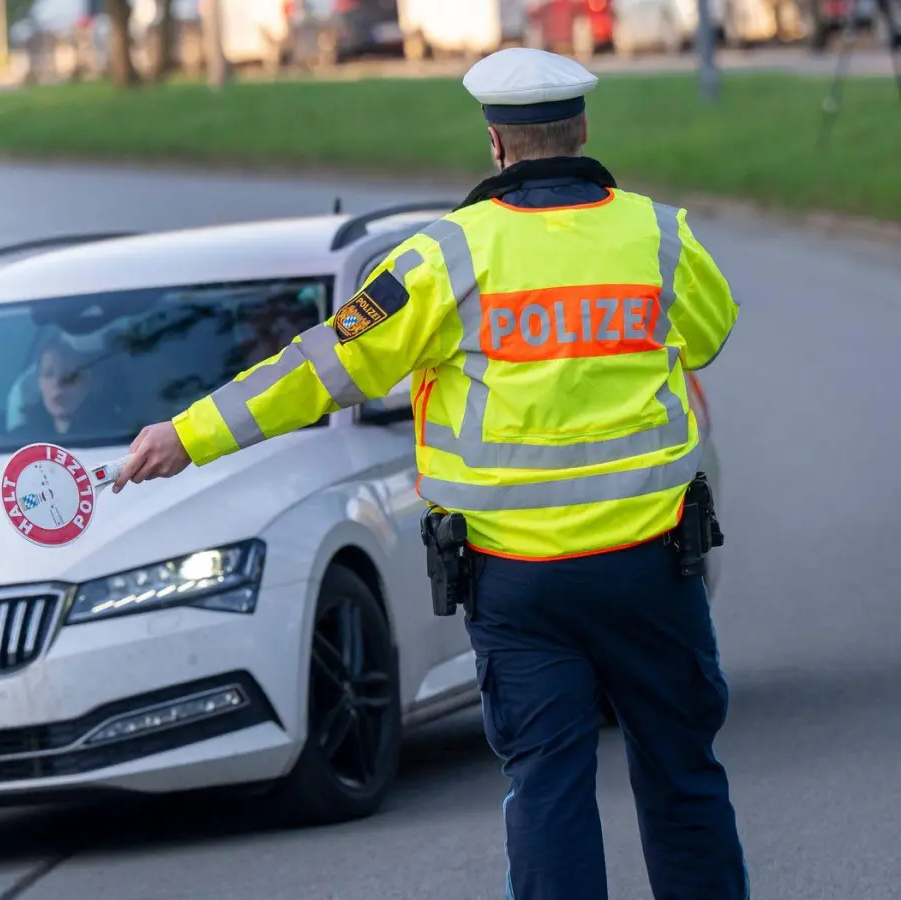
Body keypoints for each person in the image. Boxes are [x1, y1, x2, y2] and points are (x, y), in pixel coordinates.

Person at [113, 47, 747, 900]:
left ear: (496, 144)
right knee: (683, 776)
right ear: (582, 129)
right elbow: (708, 335)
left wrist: (187, 435)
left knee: (549, 790)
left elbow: (318, 368)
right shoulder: (659, 235)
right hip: (652, 565)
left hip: (521, 588)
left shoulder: (443, 258)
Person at [9, 335, 124, 441]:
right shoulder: (18, 442)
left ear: (92, 382)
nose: (58, 382)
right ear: (39, 384)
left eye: (70, 374)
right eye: (48, 374)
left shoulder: (121, 436)